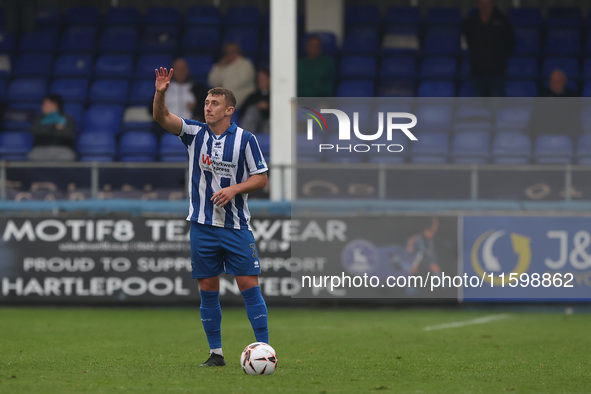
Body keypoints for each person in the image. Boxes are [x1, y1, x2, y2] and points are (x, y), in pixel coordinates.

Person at [153, 67, 269, 367]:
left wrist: (234, 190)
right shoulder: (194, 133)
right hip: (202, 226)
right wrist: (161, 93)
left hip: (234, 226)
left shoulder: (245, 139)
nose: (208, 107)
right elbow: (162, 118)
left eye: (214, 103)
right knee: (207, 287)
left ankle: (264, 350)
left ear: (229, 110)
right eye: (206, 102)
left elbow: (261, 178)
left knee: (248, 284)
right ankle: (216, 354)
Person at [463, 0, 515, 97]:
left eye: (487, 4)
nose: (485, 6)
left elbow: (511, 43)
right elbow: (465, 43)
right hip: (477, 72)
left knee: (496, 106)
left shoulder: (503, 21)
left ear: (493, 4)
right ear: (479, 4)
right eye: (482, 4)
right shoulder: (471, 22)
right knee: (479, 108)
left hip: (497, 72)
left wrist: (500, 57)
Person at [150, 57, 208, 136]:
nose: (180, 71)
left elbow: (207, 108)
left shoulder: (198, 88)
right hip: (166, 129)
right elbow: (151, 108)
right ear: (172, 71)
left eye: (183, 68)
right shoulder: (164, 87)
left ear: (188, 70)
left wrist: (196, 107)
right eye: (177, 68)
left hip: (191, 130)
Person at [28, 93, 76, 161]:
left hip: (62, 148)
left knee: (68, 156)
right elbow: (34, 131)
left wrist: (45, 129)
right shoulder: (39, 119)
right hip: (41, 148)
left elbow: (68, 134)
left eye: (45, 104)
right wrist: (55, 128)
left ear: (54, 105)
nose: (42, 107)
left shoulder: (67, 118)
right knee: (33, 156)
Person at [207, 43, 256, 109]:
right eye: (227, 52)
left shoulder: (245, 64)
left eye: (233, 52)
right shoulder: (221, 65)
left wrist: (222, 83)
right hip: (223, 101)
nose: (230, 54)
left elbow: (239, 82)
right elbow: (212, 82)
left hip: (242, 100)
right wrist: (220, 67)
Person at [240, 69, 270, 134]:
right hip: (253, 126)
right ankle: (245, 139)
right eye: (258, 79)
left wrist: (268, 107)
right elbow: (242, 111)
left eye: (263, 78)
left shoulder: (276, 97)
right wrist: (256, 106)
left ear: (269, 80)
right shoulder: (252, 96)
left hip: (268, 124)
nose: (260, 81)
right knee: (251, 110)